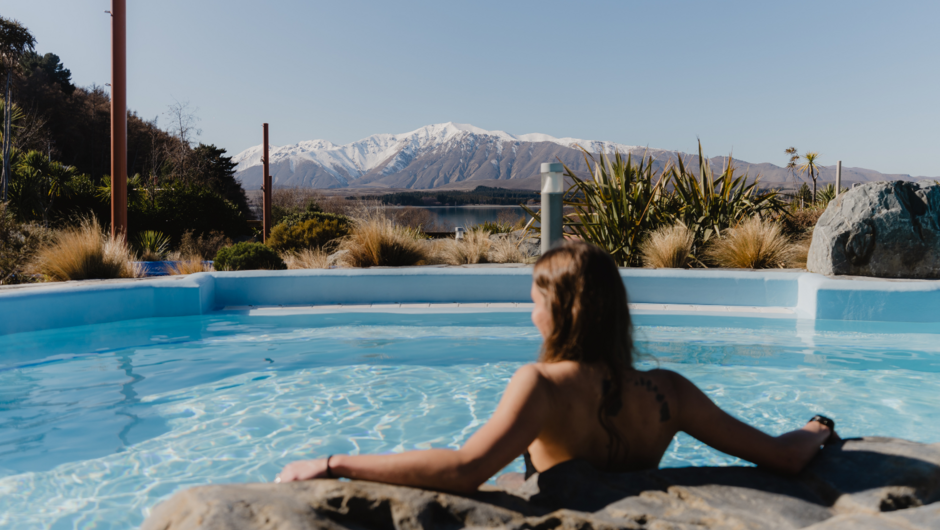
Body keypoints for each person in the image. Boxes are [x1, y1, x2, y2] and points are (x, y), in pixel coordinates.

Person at [277, 241, 839, 492]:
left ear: (560, 311)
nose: (529, 314)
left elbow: (462, 470)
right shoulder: (670, 391)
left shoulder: (541, 386)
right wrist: (818, 429)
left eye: (535, 301)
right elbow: (784, 457)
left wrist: (335, 463)